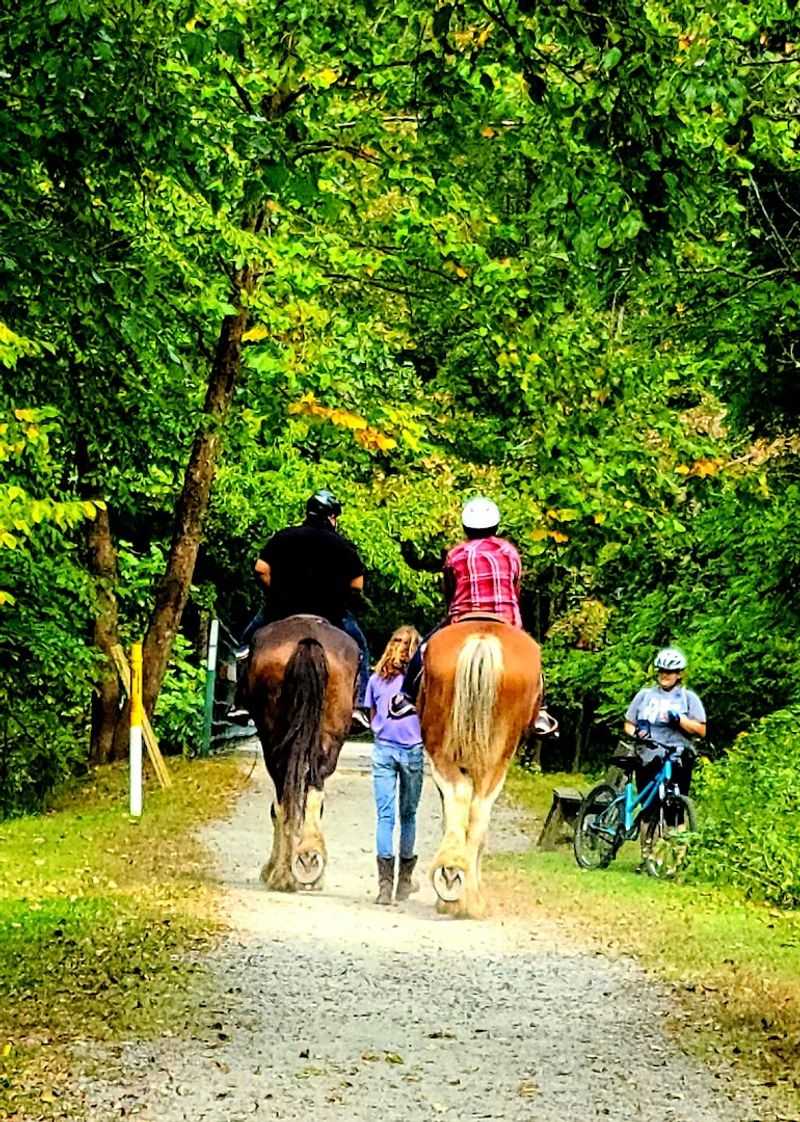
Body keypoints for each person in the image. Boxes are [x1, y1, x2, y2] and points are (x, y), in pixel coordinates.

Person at [390, 497, 559, 730]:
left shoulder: (455, 554)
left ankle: (405, 697)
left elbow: (449, 591)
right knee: (532, 656)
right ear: (496, 526)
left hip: (463, 618)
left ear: (465, 527)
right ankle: (540, 710)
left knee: (423, 649)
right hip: (505, 619)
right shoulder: (509, 552)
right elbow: (515, 588)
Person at [232, 489, 371, 729]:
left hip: (280, 610)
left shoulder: (284, 536)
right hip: (331, 614)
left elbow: (261, 569)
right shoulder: (343, 546)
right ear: (331, 517)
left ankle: (241, 702)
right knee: (361, 650)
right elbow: (357, 585)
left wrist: (275, 593)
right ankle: (359, 707)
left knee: (245, 645)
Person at [623, 647, 706, 854]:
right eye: (661, 671)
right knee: (648, 806)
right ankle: (646, 854)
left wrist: (680, 720)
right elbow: (628, 723)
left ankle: (678, 855)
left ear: (679, 674)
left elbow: (701, 730)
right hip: (648, 755)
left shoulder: (689, 698)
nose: (664, 676)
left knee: (675, 808)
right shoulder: (644, 696)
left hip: (678, 756)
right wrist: (638, 733)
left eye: (669, 672)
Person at [365, 626, 425, 905]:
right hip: (412, 749)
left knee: (385, 817)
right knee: (408, 816)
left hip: (384, 750)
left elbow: (373, 715)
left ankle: (384, 887)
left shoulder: (376, 679)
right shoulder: (420, 682)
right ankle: (404, 882)